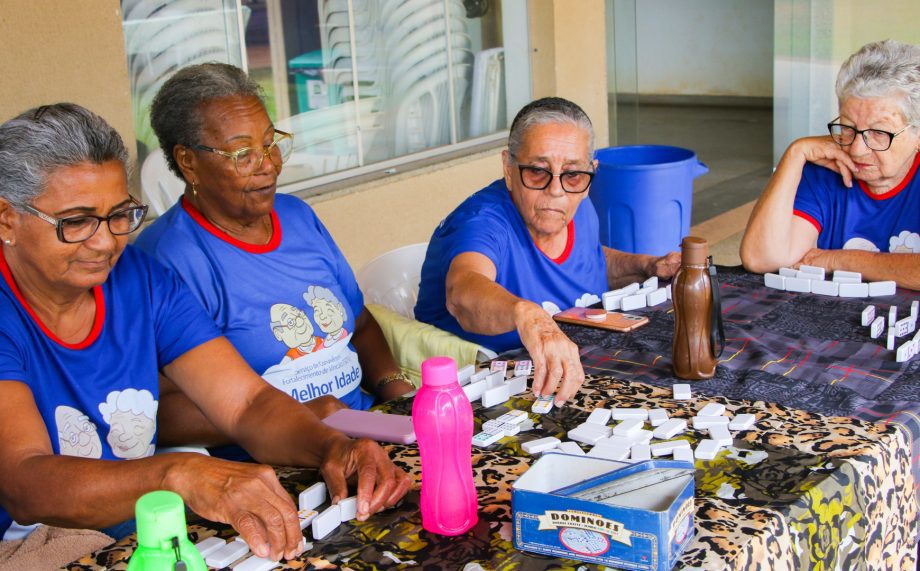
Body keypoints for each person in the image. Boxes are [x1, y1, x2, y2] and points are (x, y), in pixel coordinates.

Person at [0, 103, 410, 561]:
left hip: (146, 535)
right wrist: (178, 474)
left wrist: (334, 444)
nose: (105, 241)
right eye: (76, 222)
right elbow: (24, 479)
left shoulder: (140, 278)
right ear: (6, 218)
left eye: (120, 215)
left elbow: (246, 403)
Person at [135, 63, 414, 449]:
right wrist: (294, 416)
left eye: (270, 143)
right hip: (278, 462)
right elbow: (158, 412)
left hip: (369, 430)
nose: (268, 165)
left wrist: (395, 391)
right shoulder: (164, 261)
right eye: (242, 154)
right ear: (188, 162)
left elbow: (361, 325)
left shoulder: (297, 217)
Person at [414, 97, 680, 406]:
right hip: (481, 394)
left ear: (590, 174)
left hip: (577, 372)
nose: (556, 190)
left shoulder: (577, 203)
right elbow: (462, 292)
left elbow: (588, 260)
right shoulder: (481, 223)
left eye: (573, 174)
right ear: (508, 168)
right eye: (538, 171)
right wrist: (530, 317)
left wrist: (648, 265)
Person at [741, 39, 920, 289]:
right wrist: (795, 153)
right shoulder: (824, 171)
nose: (857, 149)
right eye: (847, 127)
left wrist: (839, 259)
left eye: (879, 133)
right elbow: (761, 259)